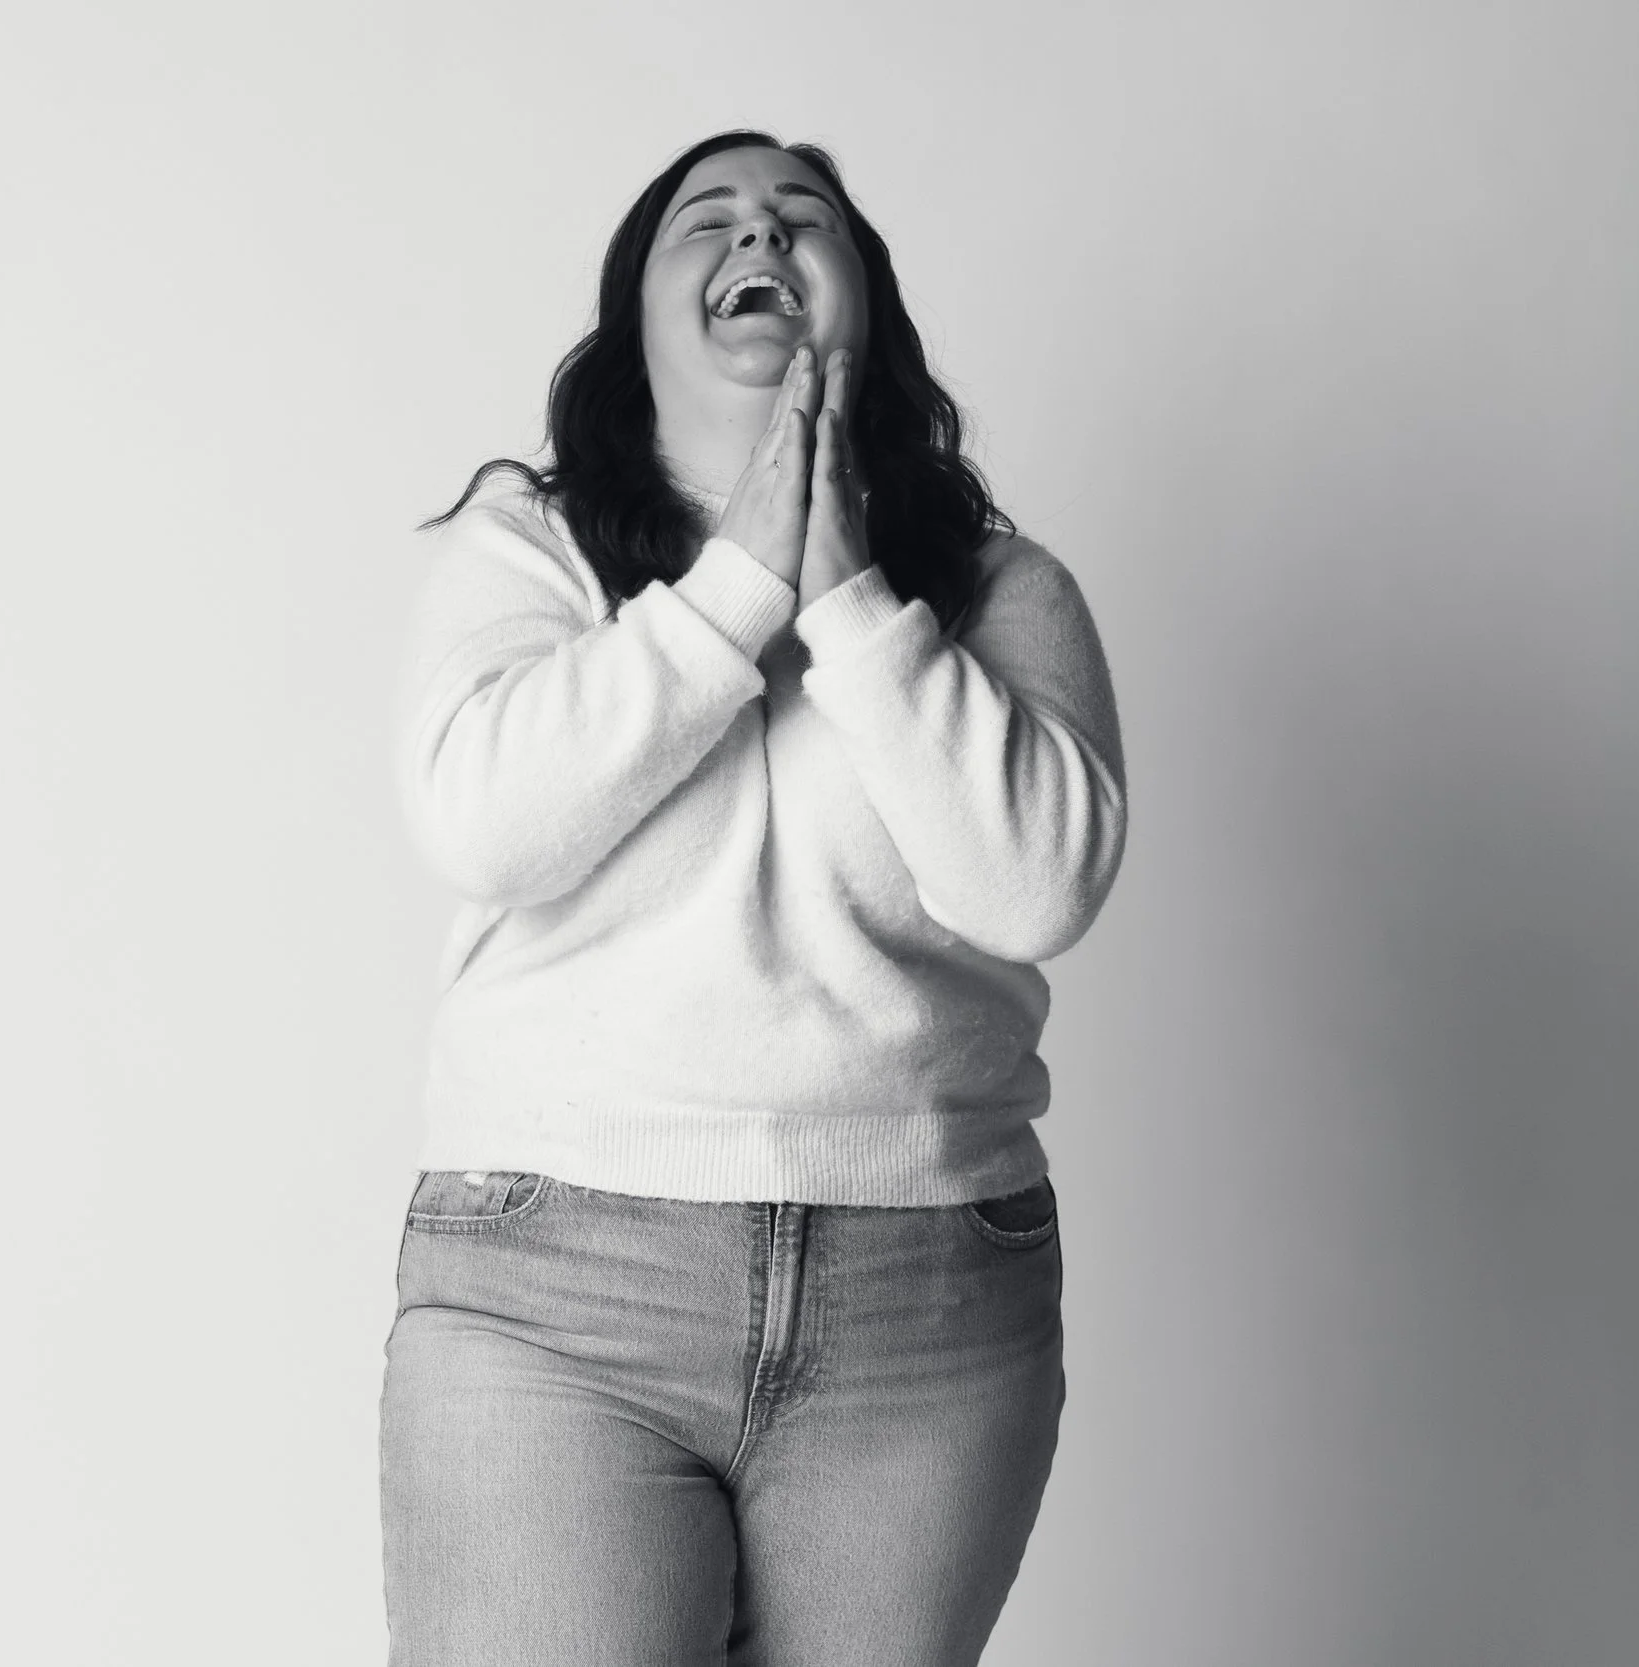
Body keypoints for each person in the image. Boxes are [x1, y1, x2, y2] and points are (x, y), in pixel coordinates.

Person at [380, 128, 1128, 1666]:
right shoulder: (530, 551)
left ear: (871, 305)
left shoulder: (1002, 594)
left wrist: (852, 600)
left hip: (925, 1307)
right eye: (705, 222)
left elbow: (1038, 882)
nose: (760, 237)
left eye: (804, 220)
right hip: (555, 1289)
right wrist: (735, 590)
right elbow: (484, 824)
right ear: (638, 327)